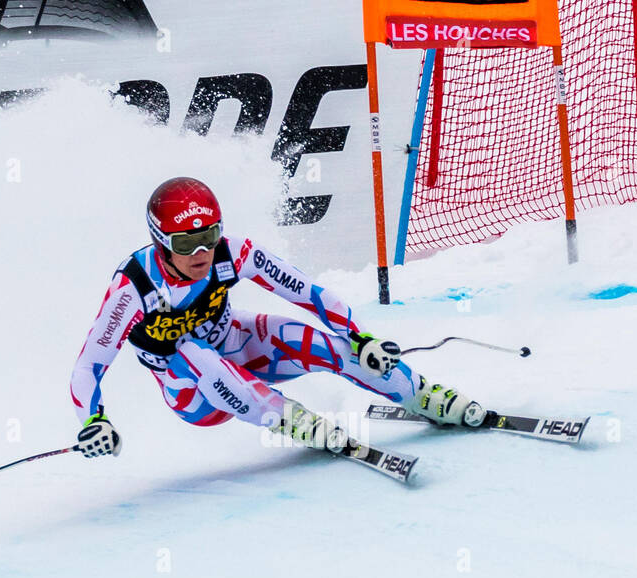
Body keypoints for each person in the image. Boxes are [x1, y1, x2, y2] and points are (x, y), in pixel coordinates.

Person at [69, 176, 486, 459]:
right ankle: (292, 420)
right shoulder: (135, 287)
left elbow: (306, 291)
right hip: (195, 394)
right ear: (161, 242)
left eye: (208, 236)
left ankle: (423, 396)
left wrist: (361, 337)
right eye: (187, 242)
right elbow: (89, 364)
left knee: (325, 343)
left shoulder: (233, 252)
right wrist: (94, 419)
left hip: (238, 346)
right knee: (193, 351)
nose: (202, 252)